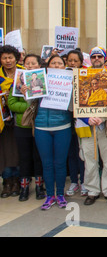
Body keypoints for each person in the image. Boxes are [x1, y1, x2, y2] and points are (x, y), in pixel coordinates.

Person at [31, 55, 73, 210]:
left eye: (59, 63)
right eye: (53, 63)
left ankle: (60, 194)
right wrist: (25, 91)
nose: (56, 65)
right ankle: (49, 195)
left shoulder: (70, 80)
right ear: (47, 66)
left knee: (60, 163)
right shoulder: (40, 79)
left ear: (64, 65)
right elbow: (31, 102)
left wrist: (72, 89)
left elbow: (73, 107)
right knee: (47, 164)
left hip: (62, 126)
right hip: (42, 127)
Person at [80, 47, 107, 205]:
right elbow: (76, 102)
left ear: (104, 58)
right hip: (88, 127)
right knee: (90, 160)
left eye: (99, 56)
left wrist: (102, 117)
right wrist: (87, 119)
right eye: (94, 56)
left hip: (106, 126)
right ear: (90, 59)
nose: (97, 58)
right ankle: (92, 190)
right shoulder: (82, 76)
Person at [8, 54, 45, 201]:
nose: (29, 66)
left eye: (33, 63)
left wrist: (34, 108)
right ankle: (24, 186)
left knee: (38, 156)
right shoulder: (17, 82)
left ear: (39, 66)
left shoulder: (43, 82)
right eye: (27, 63)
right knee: (24, 157)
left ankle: (39, 185)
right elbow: (12, 103)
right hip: (21, 124)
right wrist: (28, 107)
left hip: (38, 124)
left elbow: (44, 104)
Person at [0, 45, 23, 198]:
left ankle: (19, 180)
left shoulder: (24, 73)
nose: (8, 61)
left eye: (10, 57)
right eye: (4, 58)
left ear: (16, 58)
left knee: (20, 149)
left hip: (21, 117)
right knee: (5, 150)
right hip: (3, 120)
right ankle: (7, 181)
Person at [65, 50, 87, 197]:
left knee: (82, 152)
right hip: (67, 119)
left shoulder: (85, 76)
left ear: (81, 63)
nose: (72, 63)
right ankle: (74, 181)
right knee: (71, 152)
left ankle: (84, 181)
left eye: (75, 61)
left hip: (83, 120)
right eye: (70, 60)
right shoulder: (62, 76)